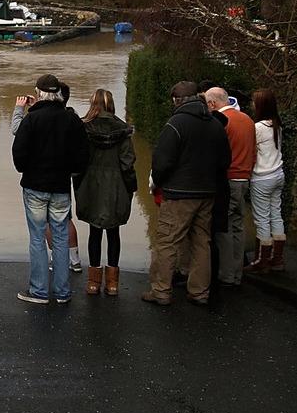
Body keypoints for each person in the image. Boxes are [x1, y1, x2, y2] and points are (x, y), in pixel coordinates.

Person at [142, 82, 230, 307]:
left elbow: (161, 162)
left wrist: (160, 183)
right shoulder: (214, 124)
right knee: (202, 241)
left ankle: (161, 290)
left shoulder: (176, 124)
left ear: (177, 100)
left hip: (179, 193)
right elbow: (225, 161)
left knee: (168, 241)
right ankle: (200, 291)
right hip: (208, 192)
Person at [12, 74, 89, 304]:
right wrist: (70, 171)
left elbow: (19, 155)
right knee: (61, 236)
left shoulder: (32, 119)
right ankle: (63, 292)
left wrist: (28, 169)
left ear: (38, 93)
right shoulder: (71, 120)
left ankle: (39, 291)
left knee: (37, 238)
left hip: (35, 185)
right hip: (61, 186)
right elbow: (82, 155)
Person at [74, 89, 135, 297]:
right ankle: (112, 283)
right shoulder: (123, 130)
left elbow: (79, 161)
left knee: (94, 231)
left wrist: (79, 184)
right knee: (114, 232)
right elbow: (128, 163)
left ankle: (93, 282)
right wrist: (130, 188)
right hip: (116, 186)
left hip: (91, 185)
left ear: (94, 104)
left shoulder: (84, 128)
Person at [210, 86, 256, 287]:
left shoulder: (223, 123)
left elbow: (218, 155)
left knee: (224, 228)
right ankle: (238, 272)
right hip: (244, 179)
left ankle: (226, 275)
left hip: (228, 180)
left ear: (212, 103)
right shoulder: (247, 119)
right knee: (238, 226)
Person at [246, 88, 288, 272]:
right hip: (278, 175)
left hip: (262, 177)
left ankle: (261, 261)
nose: (252, 105)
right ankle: (277, 259)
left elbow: (250, 150)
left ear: (261, 106)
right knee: (276, 215)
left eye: (254, 102)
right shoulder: (277, 125)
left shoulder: (258, 128)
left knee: (262, 219)